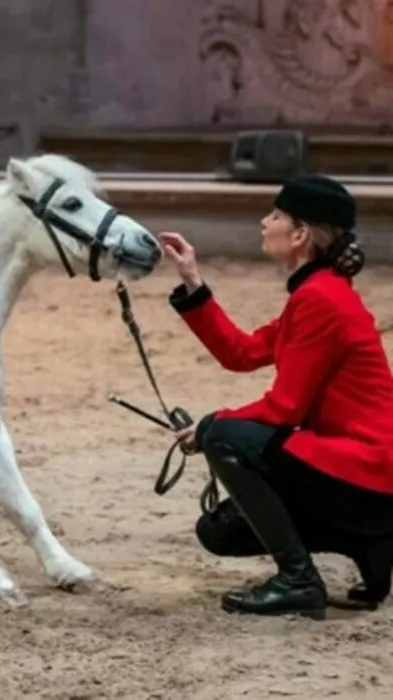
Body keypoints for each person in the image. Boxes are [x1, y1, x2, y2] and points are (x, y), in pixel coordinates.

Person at [159, 174, 393, 621]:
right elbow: (240, 352)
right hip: (365, 471)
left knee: (225, 436)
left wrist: (209, 426)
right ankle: (370, 543)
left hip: (370, 469)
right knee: (219, 531)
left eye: (275, 215)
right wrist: (192, 279)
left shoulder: (320, 300)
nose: (264, 223)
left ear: (301, 233)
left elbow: (285, 408)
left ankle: (299, 580)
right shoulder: (316, 294)